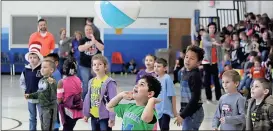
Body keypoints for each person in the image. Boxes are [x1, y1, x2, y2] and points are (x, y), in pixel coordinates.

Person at [83, 54, 117, 131]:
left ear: (105, 67)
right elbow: (88, 98)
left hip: (105, 117)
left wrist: (112, 117)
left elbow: (113, 101)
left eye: (99, 64)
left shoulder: (109, 82)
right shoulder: (91, 81)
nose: (96, 66)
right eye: (94, 64)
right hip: (93, 116)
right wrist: (86, 113)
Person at [25, 60, 58, 131]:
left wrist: (47, 104)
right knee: (43, 126)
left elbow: (52, 95)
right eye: (41, 67)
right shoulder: (42, 80)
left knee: (48, 127)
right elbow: (39, 92)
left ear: (51, 70)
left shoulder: (51, 81)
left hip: (49, 109)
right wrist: (30, 95)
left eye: (45, 67)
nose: (42, 69)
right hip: (42, 108)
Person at [179, 45, 205, 130]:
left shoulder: (195, 76)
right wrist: (182, 111)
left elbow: (194, 99)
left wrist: (183, 115)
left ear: (198, 62)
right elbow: (186, 95)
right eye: (186, 57)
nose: (187, 60)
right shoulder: (185, 72)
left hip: (194, 112)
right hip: (188, 111)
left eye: (192, 58)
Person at [19, 42, 44, 131]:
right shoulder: (26, 70)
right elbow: (22, 81)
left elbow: (46, 82)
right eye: (31, 57)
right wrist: (26, 90)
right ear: (28, 58)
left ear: (38, 58)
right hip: (30, 96)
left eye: (34, 57)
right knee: (32, 117)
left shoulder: (42, 69)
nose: (32, 59)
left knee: (42, 117)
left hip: (41, 97)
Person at [154, 58, 182, 130]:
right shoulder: (156, 79)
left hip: (165, 110)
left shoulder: (167, 78)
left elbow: (173, 96)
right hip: (158, 110)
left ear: (165, 68)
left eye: (159, 66)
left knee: (164, 128)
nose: (156, 68)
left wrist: (174, 111)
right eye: (155, 66)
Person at [78, 24, 104, 99]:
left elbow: (102, 48)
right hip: (84, 66)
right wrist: (90, 44)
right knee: (85, 83)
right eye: (87, 30)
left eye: (90, 29)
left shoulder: (97, 40)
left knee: (96, 83)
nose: (88, 31)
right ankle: (84, 100)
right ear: (84, 31)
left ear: (92, 31)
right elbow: (80, 49)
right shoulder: (82, 40)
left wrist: (95, 42)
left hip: (96, 66)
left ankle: (95, 99)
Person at [57, 57, 83, 131]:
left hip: (67, 110)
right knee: (70, 127)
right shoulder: (78, 79)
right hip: (77, 110)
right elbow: (80, 93)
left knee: (66, 128)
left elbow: (59, 99)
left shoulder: (61, 82)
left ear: (64, 69)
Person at [202, 22, 223, 103]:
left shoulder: (217, 37)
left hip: (214, 61)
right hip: (207, 62)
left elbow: (220, 48)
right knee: (207, 80)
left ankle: (218, 97)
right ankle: (208, 98)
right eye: (211, 27)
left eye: (213, 28)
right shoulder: (205, 36)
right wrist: (212, 43)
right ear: (208, 28)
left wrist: (220, 59)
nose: (212, 29)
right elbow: (205, 43)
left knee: (216, 80)